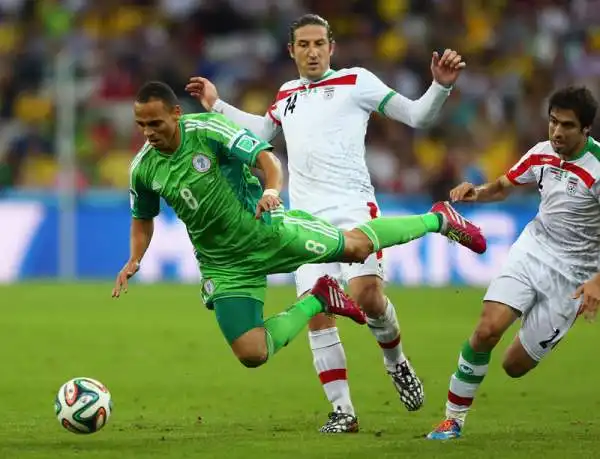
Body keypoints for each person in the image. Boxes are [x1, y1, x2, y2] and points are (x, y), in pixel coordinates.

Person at [185, 13, 466, 432]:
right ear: (292, 50)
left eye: (320, 43)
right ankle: (342, 411)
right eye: (304, 44)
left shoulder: (357, 82)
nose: (312, 51)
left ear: (331, 47)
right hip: (303, 218)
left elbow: (418, 117)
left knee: (367, 297)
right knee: (318, 311)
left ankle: (396, 362)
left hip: (353, 207)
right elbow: (263, 131)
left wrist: (440, 86)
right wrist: (217, 105)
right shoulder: (286, 94)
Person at [113, 81, 486, 386]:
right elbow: (142, 219)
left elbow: (267, 159)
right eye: (142, 126)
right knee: (252, 352)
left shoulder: (208, 131)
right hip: (223, 265)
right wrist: (134, 259)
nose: (149, 133)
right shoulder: (142, 168)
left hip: (267, 231)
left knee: (355, 248)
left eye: (156, 124)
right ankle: (320, 297)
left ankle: (438, 219)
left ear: (176, 114)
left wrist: (272, 191)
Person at [427, 86, 600, 440]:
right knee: (487, 329)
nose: (556, 132)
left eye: (567, 125)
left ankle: (544, 330)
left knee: (514, 366)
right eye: (553, 122)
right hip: (532, 251)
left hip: (573, 277)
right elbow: (505, 184)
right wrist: (477, 192)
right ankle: (452, 419)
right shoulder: (541, 154)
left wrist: (597, 281)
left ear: (586, 130)